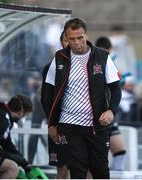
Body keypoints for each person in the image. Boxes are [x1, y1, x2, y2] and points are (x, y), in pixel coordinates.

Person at [41, 17, 121, 179]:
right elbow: (47, 93)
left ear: (87, 35)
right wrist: (51, 123)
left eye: (80, 38)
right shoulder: (59, 58)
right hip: (69, 125)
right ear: (66, 38)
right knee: (77, 170)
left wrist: (111, 111)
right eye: (72, 39)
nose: (76, 42)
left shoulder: (103, 56)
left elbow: (115, 89)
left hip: (97, 125)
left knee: (100, 170)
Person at [95, 36, 126, 171]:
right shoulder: (93, 63)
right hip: (95, 115)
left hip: (108, 113)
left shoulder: (110, 63)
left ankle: (114, 173)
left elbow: (116, 89)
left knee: (119, 152)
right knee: (96, 156)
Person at [0, 94, 33, 179]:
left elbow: (7, 144)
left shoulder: (3, 115)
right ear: (21, 111)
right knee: (12, 167)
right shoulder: (2, 119)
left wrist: (24, 162)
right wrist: (12, 158)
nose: (22, 117)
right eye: (25, 115)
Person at [47, 30, 69, 179]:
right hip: (60, 123)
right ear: (61, 42)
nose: (73, 43)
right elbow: (46, 97)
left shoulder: (90, 62)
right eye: (68, 40)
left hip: (82, 125)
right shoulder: (53, 65)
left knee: (85, 165)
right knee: (62, 167)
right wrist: (52, 124)